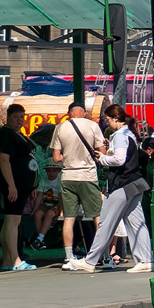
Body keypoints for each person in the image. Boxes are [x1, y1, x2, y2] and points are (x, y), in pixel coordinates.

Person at [63, 105, 152, 274]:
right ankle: (145, 260)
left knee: (106, 223)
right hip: (135, 182)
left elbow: (118, 160)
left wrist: (102, 158)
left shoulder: (119, 135)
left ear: (115, 119)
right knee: (137, 223)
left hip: (121, 184)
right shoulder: (128, 134)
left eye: (108, 119)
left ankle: (90, 261)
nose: (107, 122)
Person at [49, 102, 106, 264]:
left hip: (68, 177)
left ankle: (69, 257)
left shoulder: (60, 128)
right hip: (87, 176)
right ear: (83, 113)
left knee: (69, 218)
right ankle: (102, 254)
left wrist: (68, 157)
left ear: (69, 113)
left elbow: (56, 158)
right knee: (97, 216)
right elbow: (101, 153)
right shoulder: (92, 126)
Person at [0, 104, 38, 271]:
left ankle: (7, 259)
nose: (19, 120)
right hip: (14, 184)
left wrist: (31, 184)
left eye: (22, 117)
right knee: (13, 220)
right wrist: (11, 185)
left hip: (23, 184)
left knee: (11, 220)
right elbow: (4, 159)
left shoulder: (18, 135)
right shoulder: (6, 134)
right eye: (15, 117)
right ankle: (15, 259)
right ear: (8, 117)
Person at [28, 123, 61, 250]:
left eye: (53, 171)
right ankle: (40, 237)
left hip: (56, 204)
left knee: (48, 215)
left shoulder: (60, 179)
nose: (51, 173)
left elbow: (62, 196)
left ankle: (41, 237)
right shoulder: (43, 179)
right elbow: (39, 195)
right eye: (49, 171)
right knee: (38, 214)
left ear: (58, 171)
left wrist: (62, 209)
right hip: (45, 202)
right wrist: (34, 209)